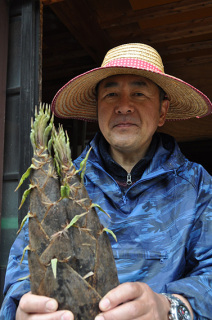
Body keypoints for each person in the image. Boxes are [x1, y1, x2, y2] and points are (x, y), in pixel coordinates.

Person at [1, 43, 212, 320]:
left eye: (139, 93)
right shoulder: (60, 185)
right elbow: (21, 275)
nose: (124, 106)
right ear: (97, 109)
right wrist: (21, 310)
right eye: (111, 94)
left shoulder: (196, 185)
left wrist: (169, 307)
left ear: (162, 111)